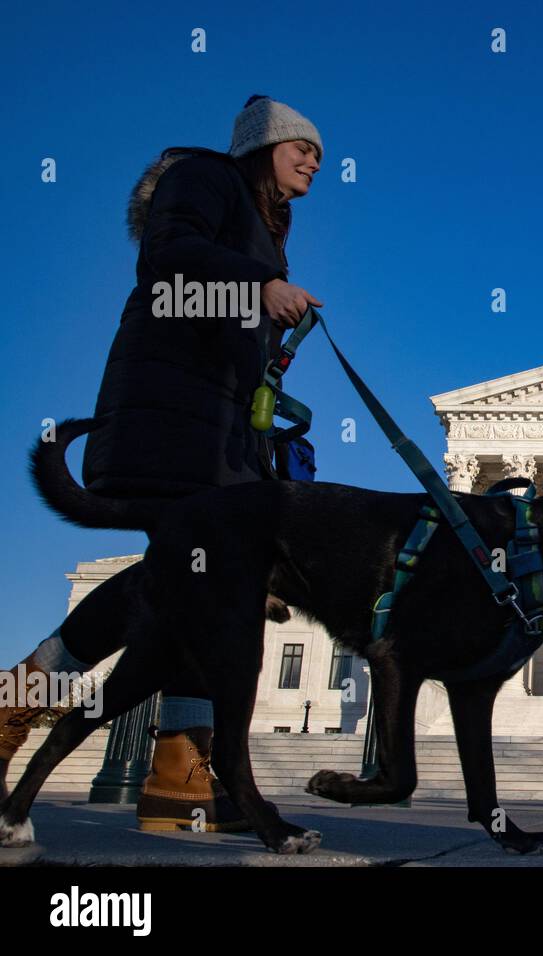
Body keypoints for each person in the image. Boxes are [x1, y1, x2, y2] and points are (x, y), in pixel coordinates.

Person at [0, 95, 324, 833]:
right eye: (300, 146)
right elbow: (167, 262)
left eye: (319, 155)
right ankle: (50, 713)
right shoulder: (205, 178)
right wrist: (258, 287)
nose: (312, 161)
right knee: (194, 579)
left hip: (214, 432)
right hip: (171, 423)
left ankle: (176, 768)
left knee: (194, 585)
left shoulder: (264, 223)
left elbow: (222, 322)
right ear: (259, 145)